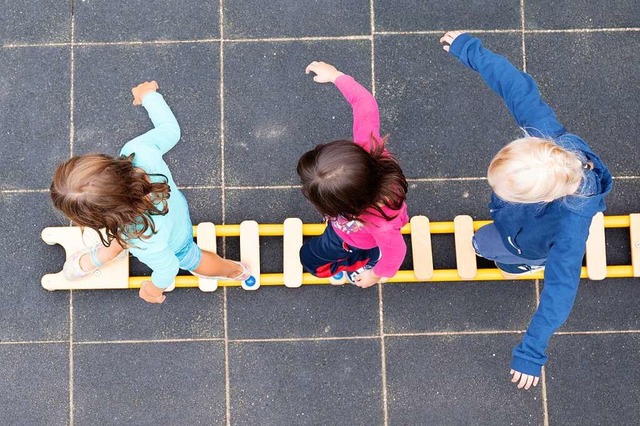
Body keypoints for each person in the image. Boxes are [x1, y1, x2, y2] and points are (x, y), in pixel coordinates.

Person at [440, 31, 612, 389]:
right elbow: (516, 87)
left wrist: (531, 352)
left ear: (540, 198)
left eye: (504, 191)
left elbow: (560, 292)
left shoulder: (569, 229)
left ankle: (526, 261)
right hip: (517, 222)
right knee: (483, 241)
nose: (494, 191)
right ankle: (512, 247)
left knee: (490, 249)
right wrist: (470, 51)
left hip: (527, 241)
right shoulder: (546, 140)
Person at [50, 81, 250, 303]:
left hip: (172, 238)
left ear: (98, 220)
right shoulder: (137, 152)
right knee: (125, 239)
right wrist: (149, 96)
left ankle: (234, 271)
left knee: (192, 258)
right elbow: (170, 130)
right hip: (170, 207)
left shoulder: (142, 238)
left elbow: (169, 267)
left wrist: (154, 289)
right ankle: (101, 255)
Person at [297, 62, 409, 288]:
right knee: (312, 252)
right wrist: (337, 76)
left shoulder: (380, 225)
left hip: (355, 241)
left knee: (310, 260)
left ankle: (363, 262)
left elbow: (396, 252)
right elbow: (364, 103)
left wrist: (375, 275)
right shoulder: (367, 148)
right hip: (349, 227)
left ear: (346, 205)